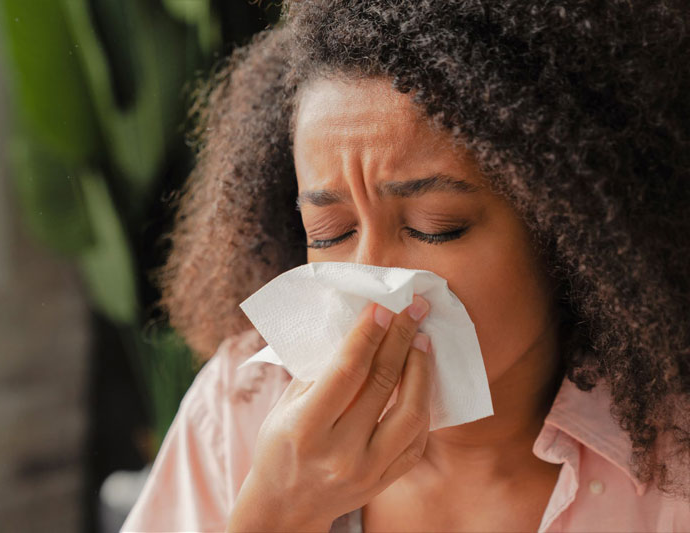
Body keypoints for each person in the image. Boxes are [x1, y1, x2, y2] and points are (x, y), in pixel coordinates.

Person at [122, 1, 690, 531]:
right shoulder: (241, 406)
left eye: (434, 227)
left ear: (567, 228)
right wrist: (276, 512)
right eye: (331, 233)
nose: (373, 282)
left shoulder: (674, 462)